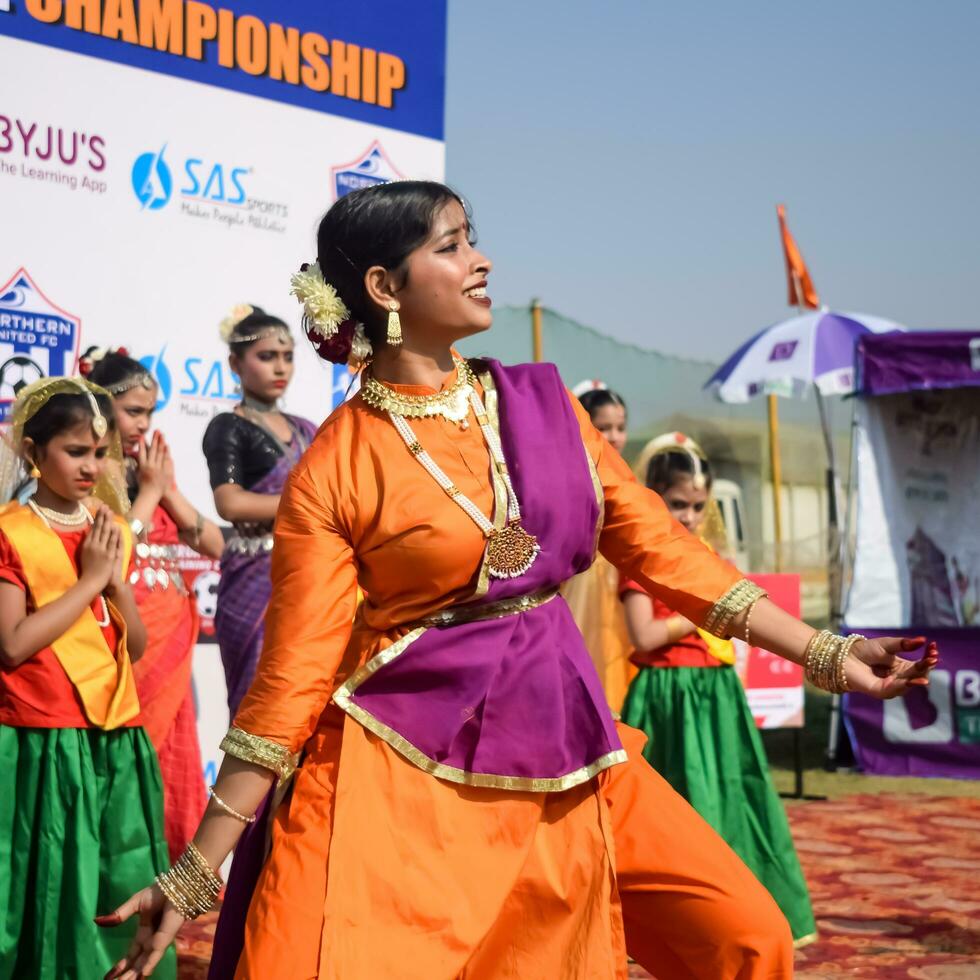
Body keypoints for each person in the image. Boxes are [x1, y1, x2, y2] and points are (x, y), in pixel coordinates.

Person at [105, 181, 937, 980]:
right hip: (405, 760)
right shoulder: (337, 464)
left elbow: (662, 551)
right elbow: (291, 680)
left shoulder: (540, 404)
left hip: (569, 733)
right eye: (454, 244)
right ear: (383, 285)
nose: (483, 261)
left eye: (474, 239)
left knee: (746, 937)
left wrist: (824, 652)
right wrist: (196, 871)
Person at [0, 378, 175, 979]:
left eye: (99, 454)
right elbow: (13, 644)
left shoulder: (108, 527)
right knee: (46, 884)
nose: (90, 466)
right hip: (42, 739)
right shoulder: (12, 531)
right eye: (75, 451)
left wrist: (115, 580)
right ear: (33, 451)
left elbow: (138, 646)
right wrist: (89, 581)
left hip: (114, 737)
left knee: (113, 877)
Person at [620, 432, 816, 943]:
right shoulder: (645, 561)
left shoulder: (705, 555)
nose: (687, 516)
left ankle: (746, 918)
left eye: (697, 505)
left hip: (716, 694)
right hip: (670, 695)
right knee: (682, 808)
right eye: (677, 504)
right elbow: (642, 636)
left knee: (733, 797)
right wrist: (702, 608)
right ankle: (683, 928)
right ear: (653, 496)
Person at [85, 347, 225, 861]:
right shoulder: (87, 475)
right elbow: (112, 555)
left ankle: (165, 886)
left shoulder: (148, 473)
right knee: (125, 769)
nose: (144, 424)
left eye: (150, 413)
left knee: (170, 764)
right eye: (134, 412)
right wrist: (148, 493)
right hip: (122, 648)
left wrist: (164, 490)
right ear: (100, 408)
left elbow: (213, 544)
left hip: (169, 651)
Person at [201, 306, 318, 717]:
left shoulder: (307, 429)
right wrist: (309, 505)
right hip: (255, 576)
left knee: (311, 698)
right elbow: (230, 503)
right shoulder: (228, 427)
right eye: (266, 357)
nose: (279, 367)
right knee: (259, 705)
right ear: (236, 363)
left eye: (287, 357)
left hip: (308, 574)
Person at [563, 386, 634, 711]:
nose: (615, 437)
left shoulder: (627, 478)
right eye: (603, 428)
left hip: (620, 584)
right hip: (582, 583)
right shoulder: (569, 476)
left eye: (620, 427)